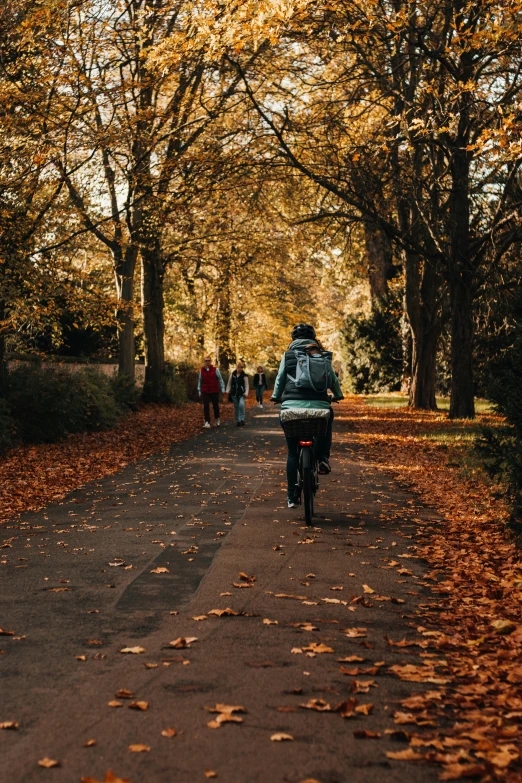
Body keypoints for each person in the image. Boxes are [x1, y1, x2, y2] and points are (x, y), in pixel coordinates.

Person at [271, 323, 343, 508]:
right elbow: (333, 379)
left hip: (291, 408)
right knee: (327, 420)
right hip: (319, 406)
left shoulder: (287, 356)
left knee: (292, 453)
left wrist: (276, 397)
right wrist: (338, 394)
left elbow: (280, 379)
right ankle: (323, 458)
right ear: (314, 338)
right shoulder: (320, 355)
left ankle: (291, 497)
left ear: (293, 340)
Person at [198, 356, 225, 428]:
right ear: (204, 362)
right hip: (205, 391)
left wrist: (222, 389)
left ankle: (217, 418)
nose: (207, 362)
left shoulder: (215, 370)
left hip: (214, 390)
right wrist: (199, 391)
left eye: (209, 361)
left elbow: (220, 380)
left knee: (215, 406)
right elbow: (200, 381)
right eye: (206, 361)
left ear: (211, 361)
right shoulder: (201, 371)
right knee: (206, 406)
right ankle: (207, 422)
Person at [226, 361, 249, 427]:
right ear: (236, 367)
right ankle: (238, 420)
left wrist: (246, 392)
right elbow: (229, 383)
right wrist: (227, 390)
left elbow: (247, 385)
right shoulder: (232, 375)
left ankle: (242, 419)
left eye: (241, 367)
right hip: (234, 393)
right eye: (239, 367)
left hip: (242, 393)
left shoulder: (245, 376)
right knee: (236, 406)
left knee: (241, 405)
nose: (240, 368)